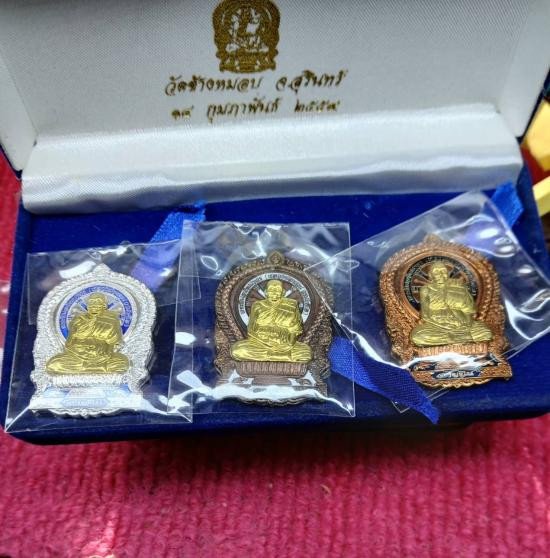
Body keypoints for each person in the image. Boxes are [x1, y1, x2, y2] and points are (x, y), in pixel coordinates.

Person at [411, 262, 493, 347]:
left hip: (462, 326)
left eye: (443, 271)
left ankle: (453, 339)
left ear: (448, 274)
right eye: (436, 272)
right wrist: (442, 325)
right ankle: (460, 339)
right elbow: (425, 315)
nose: (440, 274)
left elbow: (470, 311)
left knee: (486, 332)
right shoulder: (426, 290)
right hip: (437, 327)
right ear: (431, 275)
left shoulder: (458, 287)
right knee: (417, 336)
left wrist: (459, 291)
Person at [46, 292, 129, 374]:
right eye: (91, 302)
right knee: (54, 364)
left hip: (103, 357)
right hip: (78, 356)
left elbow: (116, 343)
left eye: (98, 302)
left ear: (104, 306)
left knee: (122, 363)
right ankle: (95, 368)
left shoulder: (111, 321)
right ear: (87, 306)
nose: (94, 305)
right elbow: (70, 341)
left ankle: (90, 368)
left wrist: (107, 346)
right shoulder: (79, 320)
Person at [231, 280, 312, 363]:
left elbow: (295, 330)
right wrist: (265, 342)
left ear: (283, 292)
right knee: (237, 350)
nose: (274, 292)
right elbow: (251, 330)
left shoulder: (292, 305)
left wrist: (289, 344)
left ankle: (272, 355)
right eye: (271, 290)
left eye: (277, 290)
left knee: (306, 353)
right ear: (266, 292)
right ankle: (282, 356)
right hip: (261, 344)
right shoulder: (257, 305)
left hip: (285, 344)